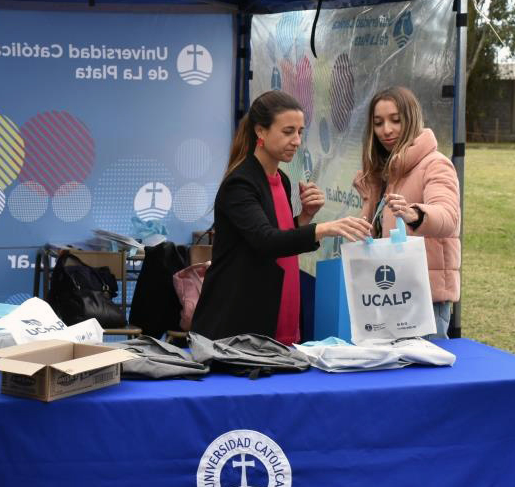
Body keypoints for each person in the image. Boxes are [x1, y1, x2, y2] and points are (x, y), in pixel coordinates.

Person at [191, 90, 371, 343]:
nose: (296, 141)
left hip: (281, 307)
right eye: (288, 132)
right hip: (240, 320)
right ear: (260, 131)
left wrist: (304, 218)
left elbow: (279, 235)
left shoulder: (282, 180)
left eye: (300, 132)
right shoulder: (240, 184)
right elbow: (265, 240)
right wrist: (325, 228)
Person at [354, 85, 460, 338]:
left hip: (425, 297)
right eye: (378, 123)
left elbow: (448, 217)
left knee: (423, 363)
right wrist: (368, 200)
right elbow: (370, 234)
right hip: (387, 293)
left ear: (411, 120)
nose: (386, 130)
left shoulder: (435, 163)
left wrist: (416, 215)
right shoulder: (384, 172)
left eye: (396, 120)